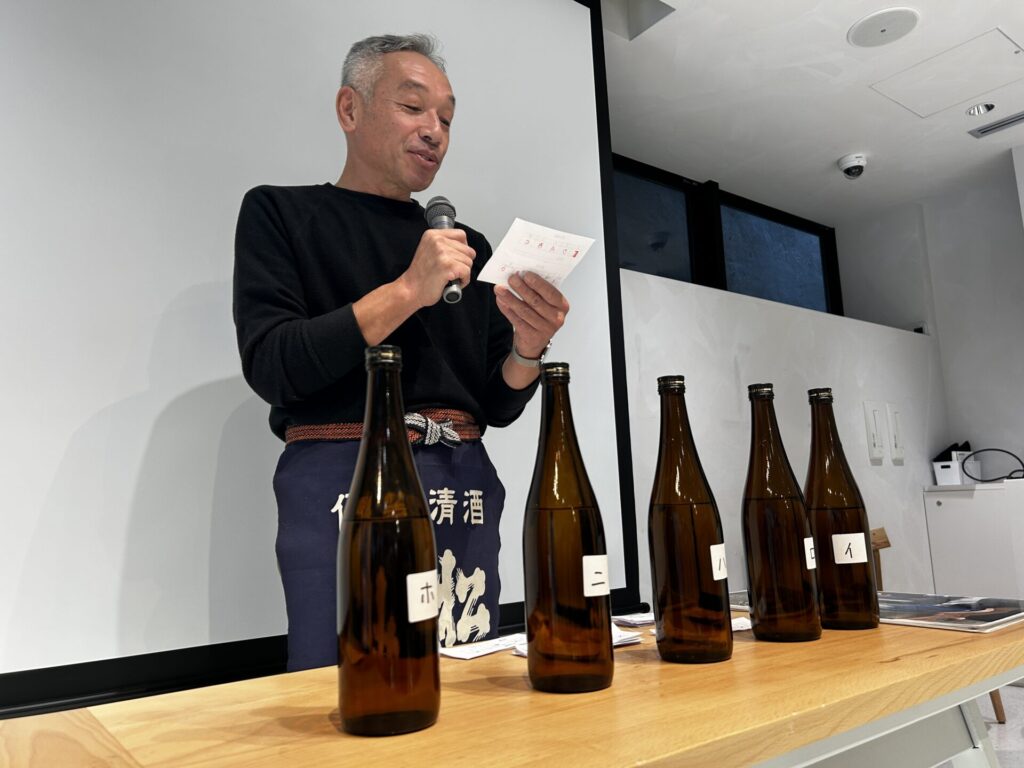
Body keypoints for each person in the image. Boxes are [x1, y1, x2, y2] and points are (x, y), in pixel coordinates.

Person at [233, 33, 569, 671]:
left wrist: (528, 347)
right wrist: (409, 290)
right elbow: (274, 364)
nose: (434, 131)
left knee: (466, 671)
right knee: (348, 677)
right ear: (350, 109)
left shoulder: (466, 247)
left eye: (447, 118)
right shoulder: (280, 213)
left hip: (460, 479)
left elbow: (496, 404)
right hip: (343, 475)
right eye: (413, 107)